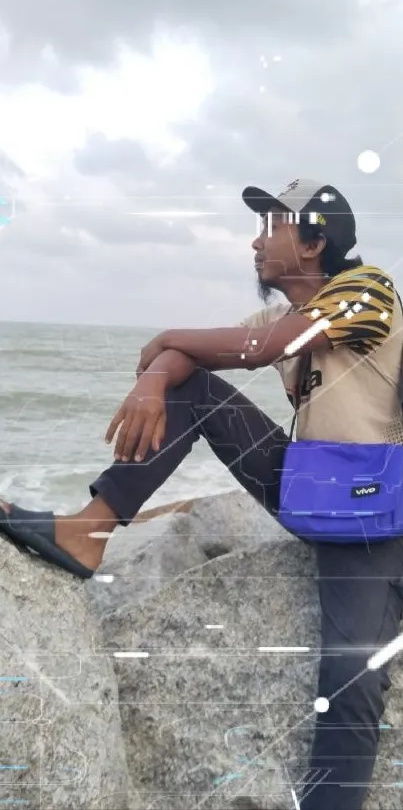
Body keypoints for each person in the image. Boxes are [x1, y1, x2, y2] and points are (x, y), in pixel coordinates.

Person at [1, 178, 403, 810]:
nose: (255, 243)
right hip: (314, 489)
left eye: (271, 229)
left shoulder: (367, 291)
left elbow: (258, 350)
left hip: (377, 513)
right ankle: (90, 532)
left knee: (349, 686)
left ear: (315, 241)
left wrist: (167, 341)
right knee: (194, 392)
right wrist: (158, 373)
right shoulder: (281, 314)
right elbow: (202, 360)